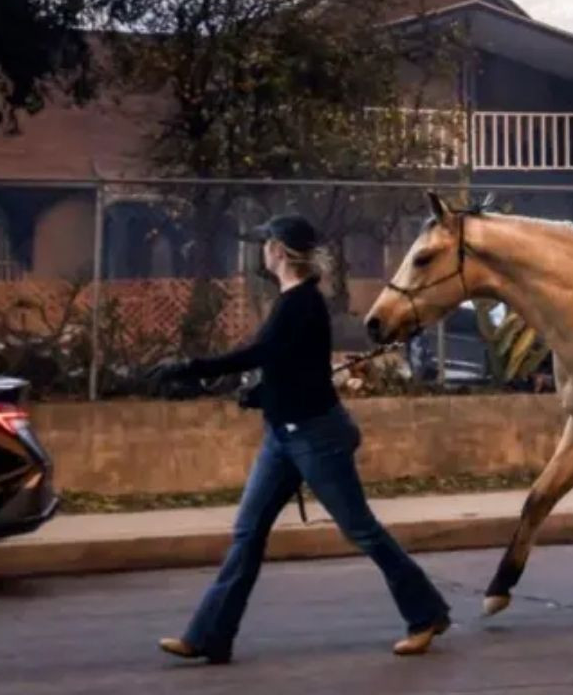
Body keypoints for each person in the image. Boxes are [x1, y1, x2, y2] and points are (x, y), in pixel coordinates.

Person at [152, 215, 450, 664]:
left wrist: (190, 368)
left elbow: (262, 354)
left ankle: (426, 613)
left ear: (279, 250)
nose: (262, 250)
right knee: (248, 533)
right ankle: (210, 635)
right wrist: (263, 394)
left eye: (265, 243)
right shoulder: (293, 301)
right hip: (283, 435)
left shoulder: (301, 304)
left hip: (316, 436)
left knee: (361, 530)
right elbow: (296, 368)